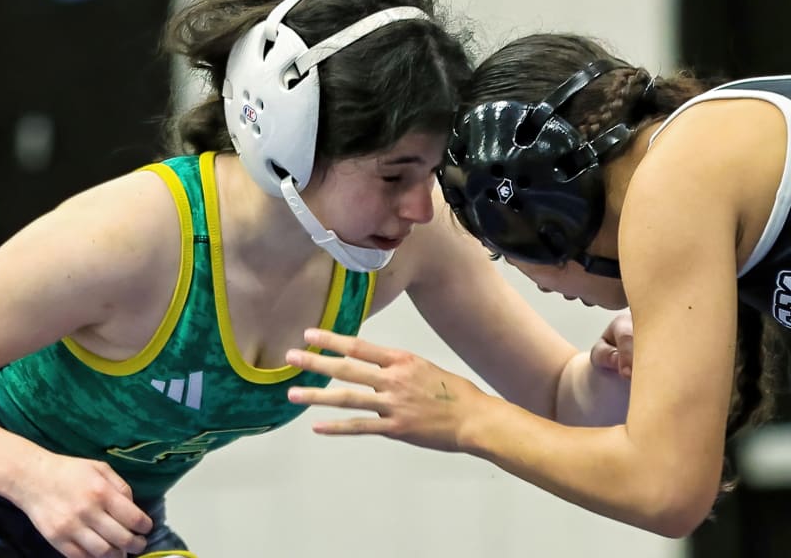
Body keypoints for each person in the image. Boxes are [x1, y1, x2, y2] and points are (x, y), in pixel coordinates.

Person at [0, 0, 630, 557]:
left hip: (100, 528)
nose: (421, 210)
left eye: (430, 175)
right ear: (290, 143)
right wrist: (32, 477)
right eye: (394, 177)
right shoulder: (135, 236)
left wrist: (608, 370)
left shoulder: (406, 246)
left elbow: (560, 401)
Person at [285, 32, 791, 538]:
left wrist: (467, 417)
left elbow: (666, 491)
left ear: (543, 212)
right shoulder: (710, 146)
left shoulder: (670, 187)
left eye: (506, 243)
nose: (535, 281)